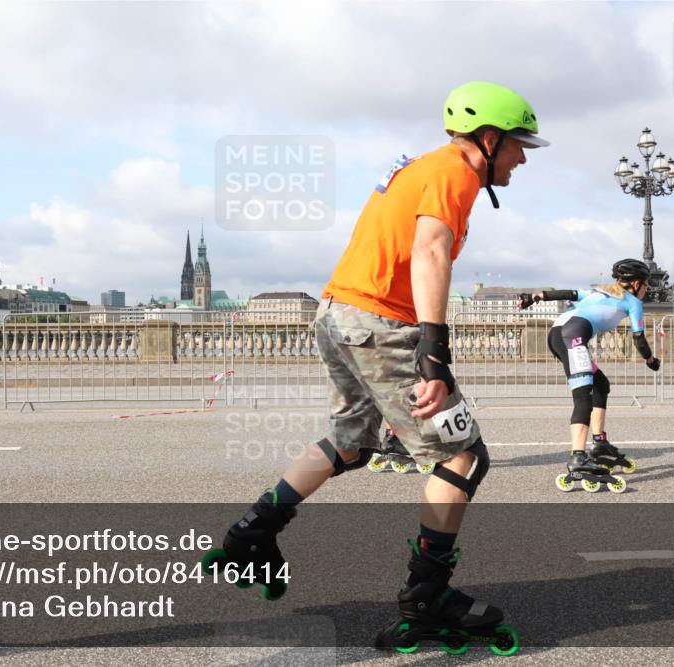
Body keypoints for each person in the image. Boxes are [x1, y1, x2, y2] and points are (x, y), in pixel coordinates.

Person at [204, 81, 547, 654]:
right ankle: (426, 597)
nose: (522, 157)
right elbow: (431, 251)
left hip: (339, 314)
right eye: (517, 145)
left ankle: (252, 533)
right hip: (381, 324)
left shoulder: (419, 167)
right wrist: (434, 355)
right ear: (487, 138)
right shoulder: (455, 173)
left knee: (351, 442)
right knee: (462, 455)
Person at [518, 258, 660, 494]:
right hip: (572, 336)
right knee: (583, 396)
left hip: (558, 333)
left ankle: (600, 442)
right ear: (636, 283)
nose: (646, 290)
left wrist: (532, 298)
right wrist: (650, 360)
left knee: (600, 384)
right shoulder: (633, 302)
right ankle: (578, 457)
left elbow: (567, 293)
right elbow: (639, 339)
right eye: (646, 285)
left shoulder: (599, 291)